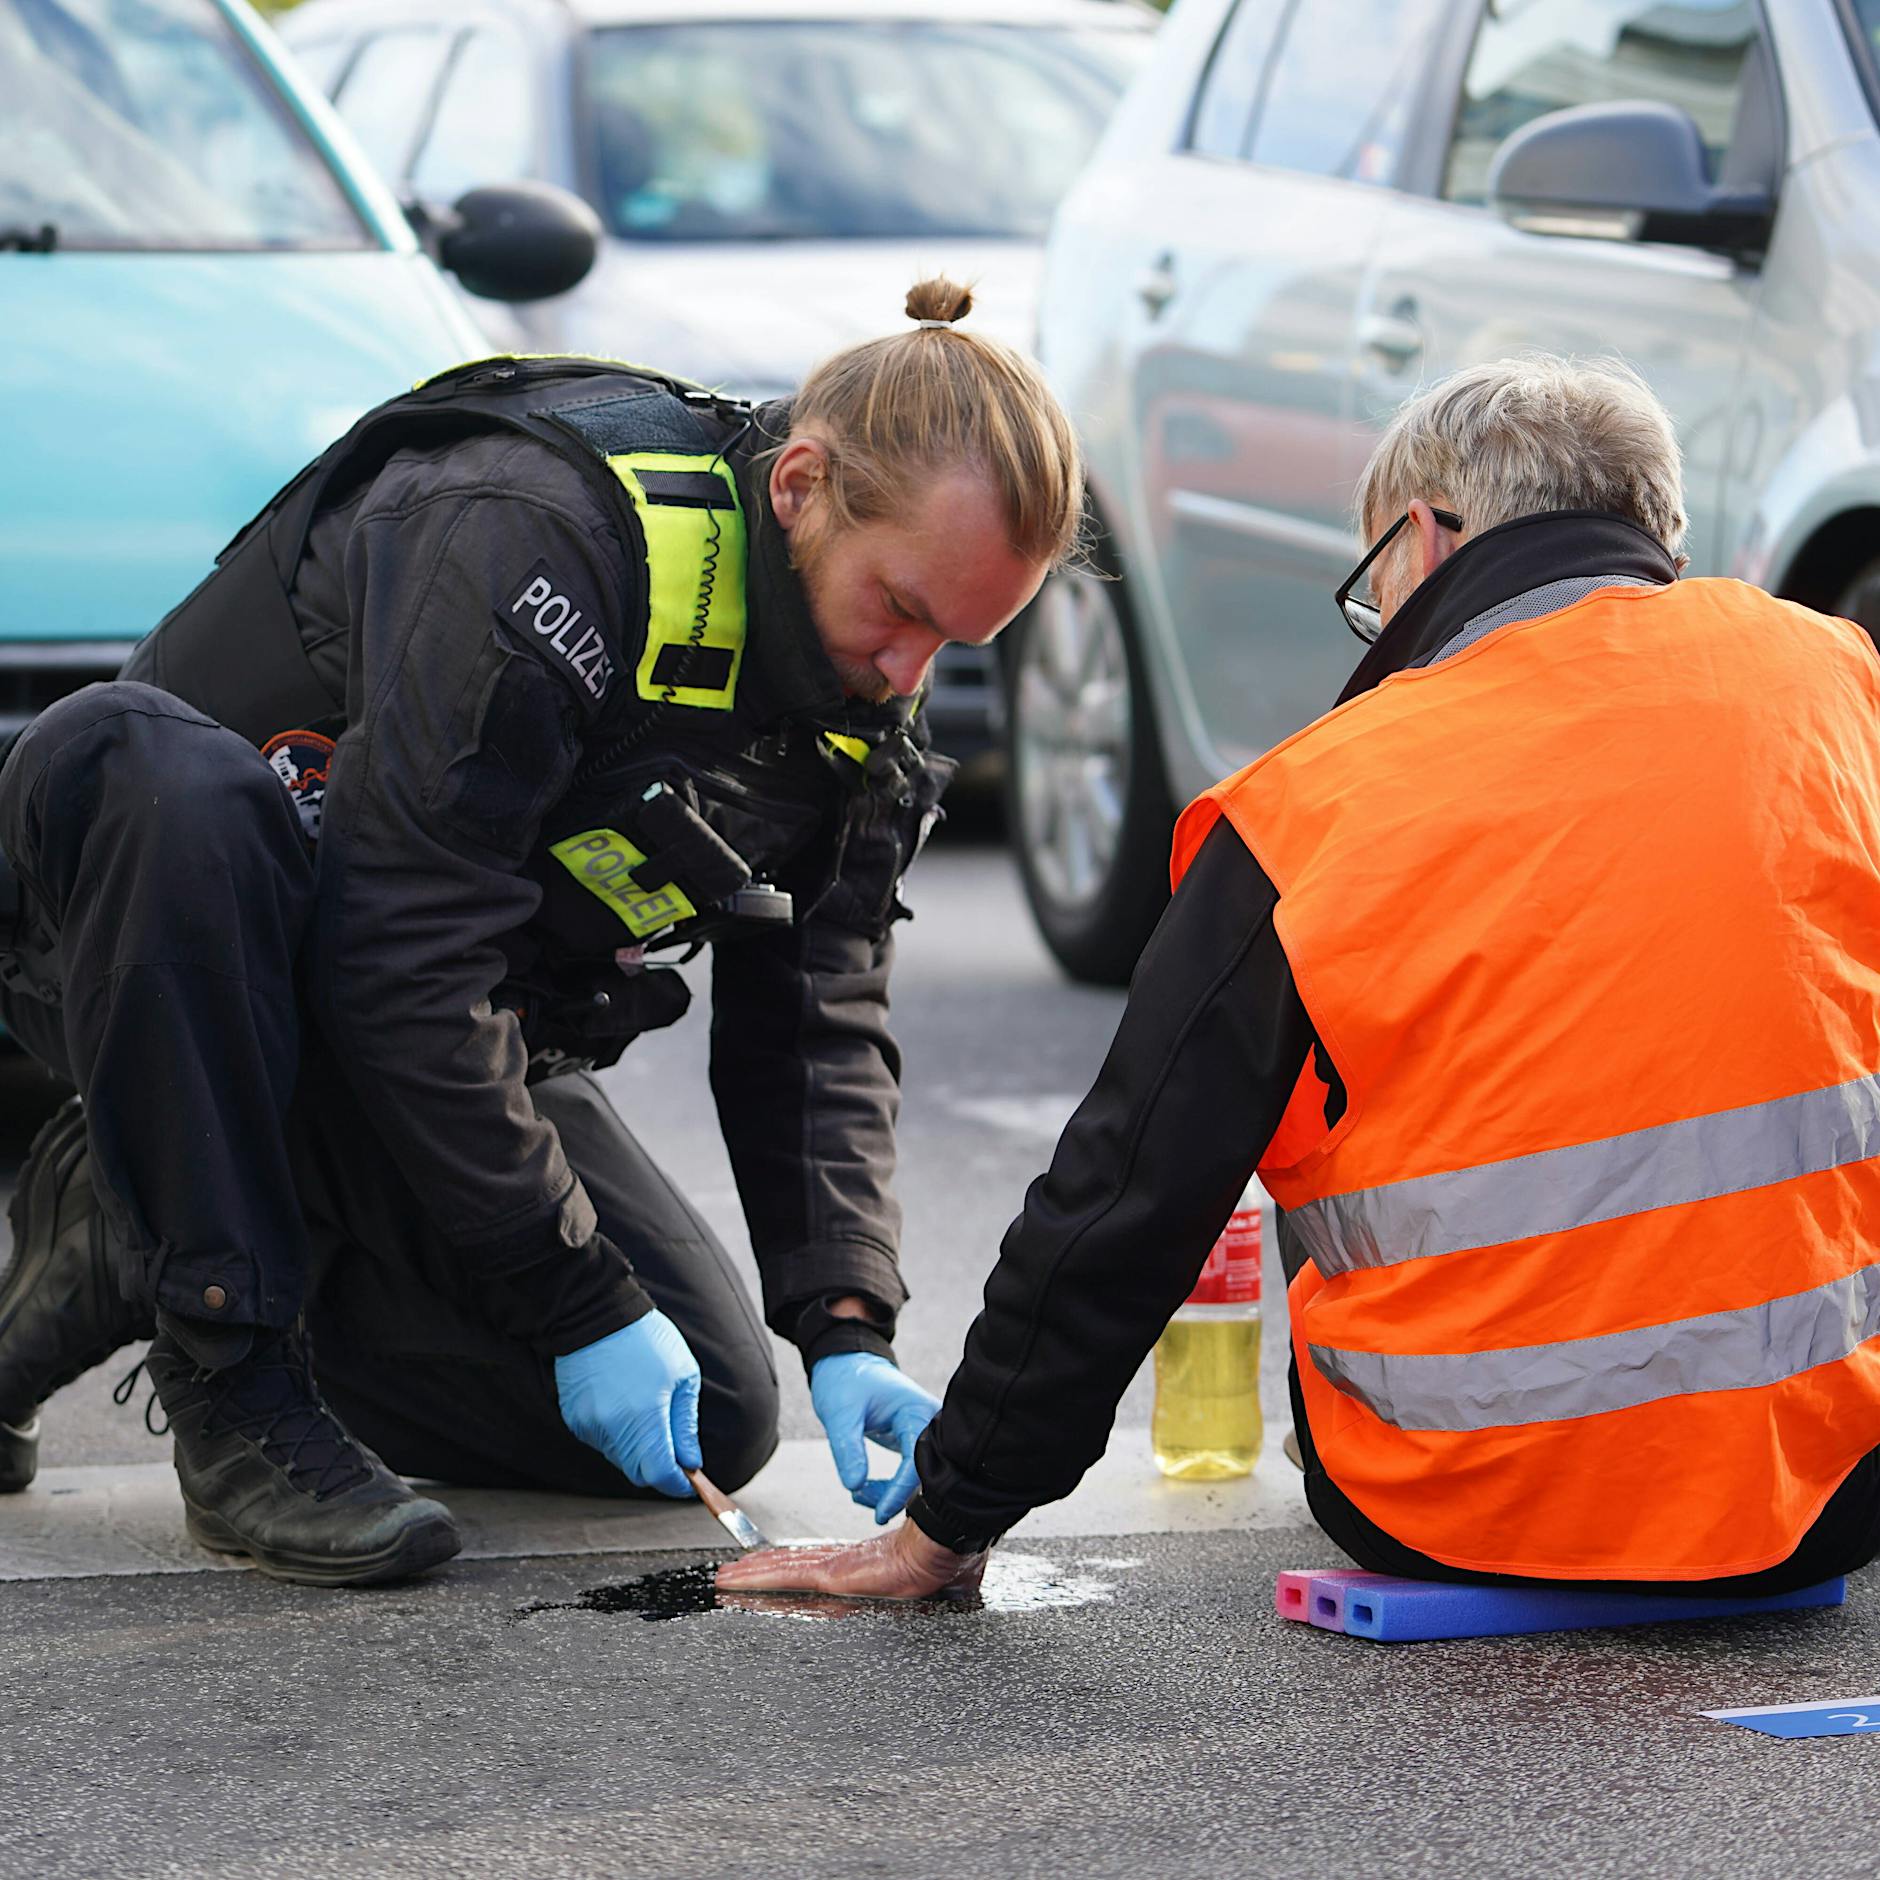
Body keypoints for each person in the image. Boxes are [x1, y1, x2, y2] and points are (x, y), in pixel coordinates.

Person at [720, 355, 1880, 1605]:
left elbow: (1127, 1194)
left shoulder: (1314, 804)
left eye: (1373, 579)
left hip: (1465, 1498)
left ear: (1424, 539)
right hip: (1833, 1495)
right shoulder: (1844, 688)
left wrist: (941, 1521)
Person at [0, 278, 1081, 1587]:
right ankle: (234, 1377)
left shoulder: (856, 711)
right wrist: (570, 1291)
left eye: (955, 642)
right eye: (903, 611)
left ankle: (141, 1226)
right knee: (153, 768)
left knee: (716, 1416)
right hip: (160, 971)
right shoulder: (538, 533)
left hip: (428, 1031)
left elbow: (810, 1019)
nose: (909, 674)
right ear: (798, 485)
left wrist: (848, 1323)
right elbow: (399, 945)